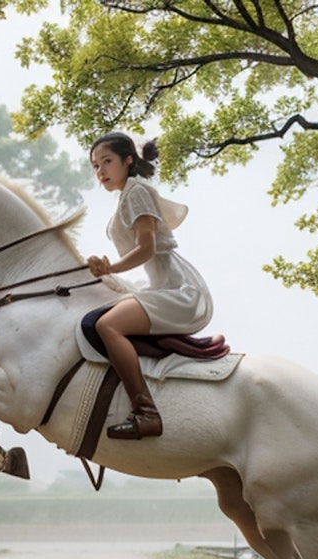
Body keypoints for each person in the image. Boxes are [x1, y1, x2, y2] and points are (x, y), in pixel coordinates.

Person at [87, 133, 214, 439]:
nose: (101, 171)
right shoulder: (127, 194)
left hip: (177, 289)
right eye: (95, 166)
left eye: (107, 162)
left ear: (128, 160)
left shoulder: (136, 191)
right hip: (157, 283)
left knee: (108, 327)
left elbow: (147, 248)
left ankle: (147, 412)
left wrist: (111, 268)